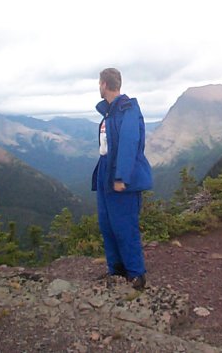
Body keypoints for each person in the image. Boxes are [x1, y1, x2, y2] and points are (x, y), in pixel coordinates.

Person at [92, 68, 153, 290]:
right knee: (107, 224)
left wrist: (121, 177)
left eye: (99, 83)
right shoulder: (110, 113)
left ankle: (136, 275)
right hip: (105, 172)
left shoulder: (128, 109)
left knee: (124, 225)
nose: (98, 87)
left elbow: (129, 144)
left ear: (104, 84)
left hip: (120, 175)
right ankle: (116, 270)